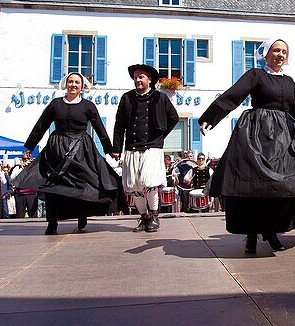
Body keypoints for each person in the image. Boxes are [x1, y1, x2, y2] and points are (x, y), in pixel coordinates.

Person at [200, 38, 295, 254]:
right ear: (266, 53)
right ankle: (251, 235)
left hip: (283, 138)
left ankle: (271, 231)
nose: (280, 55)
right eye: (276, 50)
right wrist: (211, 117)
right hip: (257, 135)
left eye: (284, 51)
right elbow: (234, 95)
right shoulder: (256, 75)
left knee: (280, 188)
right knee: (254, 187)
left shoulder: (289, 81)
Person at [22, 72, 122, 234]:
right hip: (57, 148)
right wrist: (30, 146)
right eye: (70, 82)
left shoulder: (88, 106)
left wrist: (109, 149)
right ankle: (52, 222)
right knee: (53, 185)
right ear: (65, 84)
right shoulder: (55, 104)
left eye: (77, 82)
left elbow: (99, 129)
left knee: (82, 184)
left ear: (82, 87)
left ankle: (82, 215)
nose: (73, 85)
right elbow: (41, 125)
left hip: (81, 150)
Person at [112, 64, 179, 233]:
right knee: (134, 184)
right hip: (132, 147)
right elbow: (119, 125)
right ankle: (144, 217)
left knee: (149, 181)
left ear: (149, 80)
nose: (137, 80)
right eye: (135, 77)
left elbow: (174, 117)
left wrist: (160, 135)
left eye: (141, 77)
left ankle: (155, 215)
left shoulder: (160, 97)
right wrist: (116, 148)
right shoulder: (126, 98)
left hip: (152, 147)